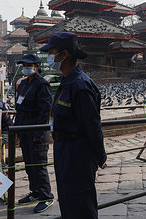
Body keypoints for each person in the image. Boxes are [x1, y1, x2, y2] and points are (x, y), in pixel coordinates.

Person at [39, 32, 107, 218]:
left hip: (78, 153)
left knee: (81, 204)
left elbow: (93, 126)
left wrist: (100, 156)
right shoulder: (66, 83)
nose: (49, 57)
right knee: (68, 202)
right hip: (64, 150)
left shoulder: (81, 86)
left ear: (64, 54)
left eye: (51, 52)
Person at [15, 54, 54, 213]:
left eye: (29, 65)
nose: (26, 67)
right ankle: (35, 191)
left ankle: (46, 195)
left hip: (36, 126)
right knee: (29, 164)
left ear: (37, 66)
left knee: (38, 164)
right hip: (23, 127)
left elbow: (45, 111)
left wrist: (39, 131)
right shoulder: (23, 83)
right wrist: (16, 128)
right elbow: (19, 106)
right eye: (24, 64)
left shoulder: (42, 84)